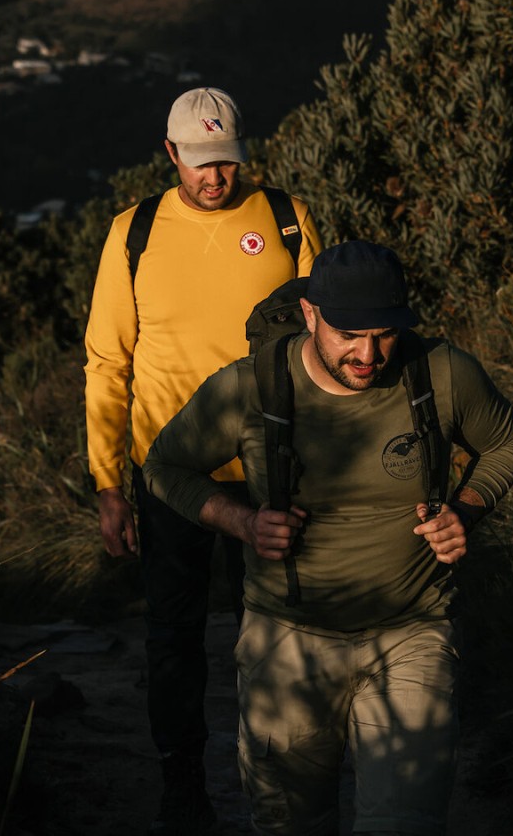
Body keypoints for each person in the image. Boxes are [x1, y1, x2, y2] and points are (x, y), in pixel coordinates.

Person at [143, 241, 513, 836]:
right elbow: (164, 468)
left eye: (383, 335)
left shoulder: (442, 373)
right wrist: (242, 521)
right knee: (290, 823)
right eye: (350, 335)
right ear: (310, 315)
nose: (368, 354)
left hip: (414, 632)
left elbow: (508, 442)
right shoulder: (249, 389)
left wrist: (466, 510)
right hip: (287, 640)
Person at [85, 86, 323, 835]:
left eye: (226, 163)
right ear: (170, 155)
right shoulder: (135, 233)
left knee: (278, 635)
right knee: (175, 640)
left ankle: (281, 778)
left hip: (272, 469)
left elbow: (330, 341)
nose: (214, 178)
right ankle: (182, 784)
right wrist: (107, 484)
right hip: (169, 477)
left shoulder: (287, 219)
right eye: (199, 163)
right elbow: (107, 361)